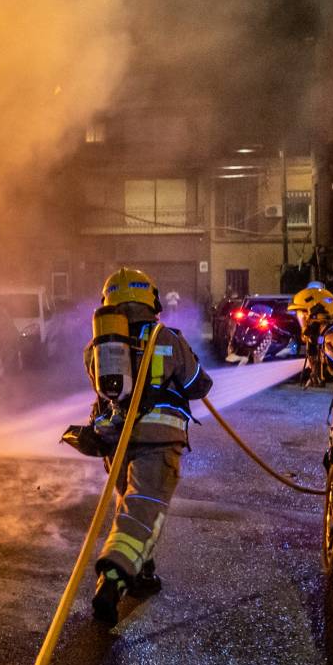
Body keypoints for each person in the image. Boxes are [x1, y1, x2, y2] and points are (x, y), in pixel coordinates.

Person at [82, 267, 213, 626]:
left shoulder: (98, 349)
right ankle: (113, 579)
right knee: (142, 510)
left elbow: (103, 392)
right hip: (159, 441)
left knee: (130, 504)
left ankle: (142, 572)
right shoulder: (166, 338)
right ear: (150, 299)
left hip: (118, 444)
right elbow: (199, 384)